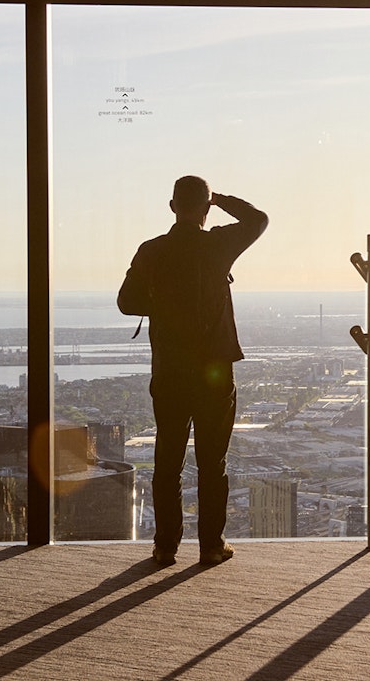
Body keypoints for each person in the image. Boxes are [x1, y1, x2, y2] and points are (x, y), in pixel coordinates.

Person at [117, 176, 268, 566]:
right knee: (211, 462)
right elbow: (258, 219)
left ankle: (165, 546)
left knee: (168, 459)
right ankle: (211, 547)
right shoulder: (218, 245)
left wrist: (165, 303)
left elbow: (126, 302)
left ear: (171, 206)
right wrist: (220, 200)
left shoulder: (152, 251)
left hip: (169, 370)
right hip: (214, 372)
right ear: (205, 208)